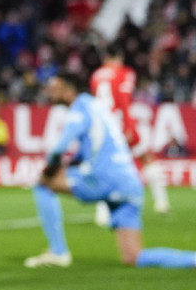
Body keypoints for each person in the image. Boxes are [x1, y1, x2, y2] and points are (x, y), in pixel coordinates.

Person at [24, 71, 196, 269]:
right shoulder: (99, 107)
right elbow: (95, 146)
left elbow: (58, 149)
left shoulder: (81, 107)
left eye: (55, 88)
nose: (49, 92)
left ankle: (58, 252)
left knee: (43, 186)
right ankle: (193, 259)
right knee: (133, 256)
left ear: (69, 90)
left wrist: (47, 171)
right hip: (130, 182)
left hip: (106, 177)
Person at [90, 44, 170, 228]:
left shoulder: (96, 75)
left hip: (102, 127)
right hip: (120, 123)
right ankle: (161, 202)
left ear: (105, 59)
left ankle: (101, 214)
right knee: (147, 158)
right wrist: (128, 125)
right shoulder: (125, 72)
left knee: (105, 167)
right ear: (119, 57)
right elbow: (124, 100)